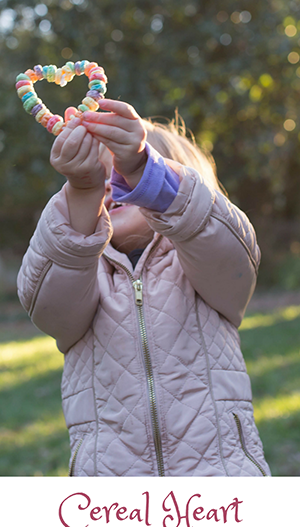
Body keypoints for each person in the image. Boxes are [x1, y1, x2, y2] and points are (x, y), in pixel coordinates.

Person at [17, 98, 271, 477]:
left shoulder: (202, 264)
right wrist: (81, 192)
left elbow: (231, 255)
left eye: (123, 175)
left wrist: (143, 170)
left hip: (220, 480)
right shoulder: (84, 271)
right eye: (100, 177)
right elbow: (49, 308)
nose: (110, 186)